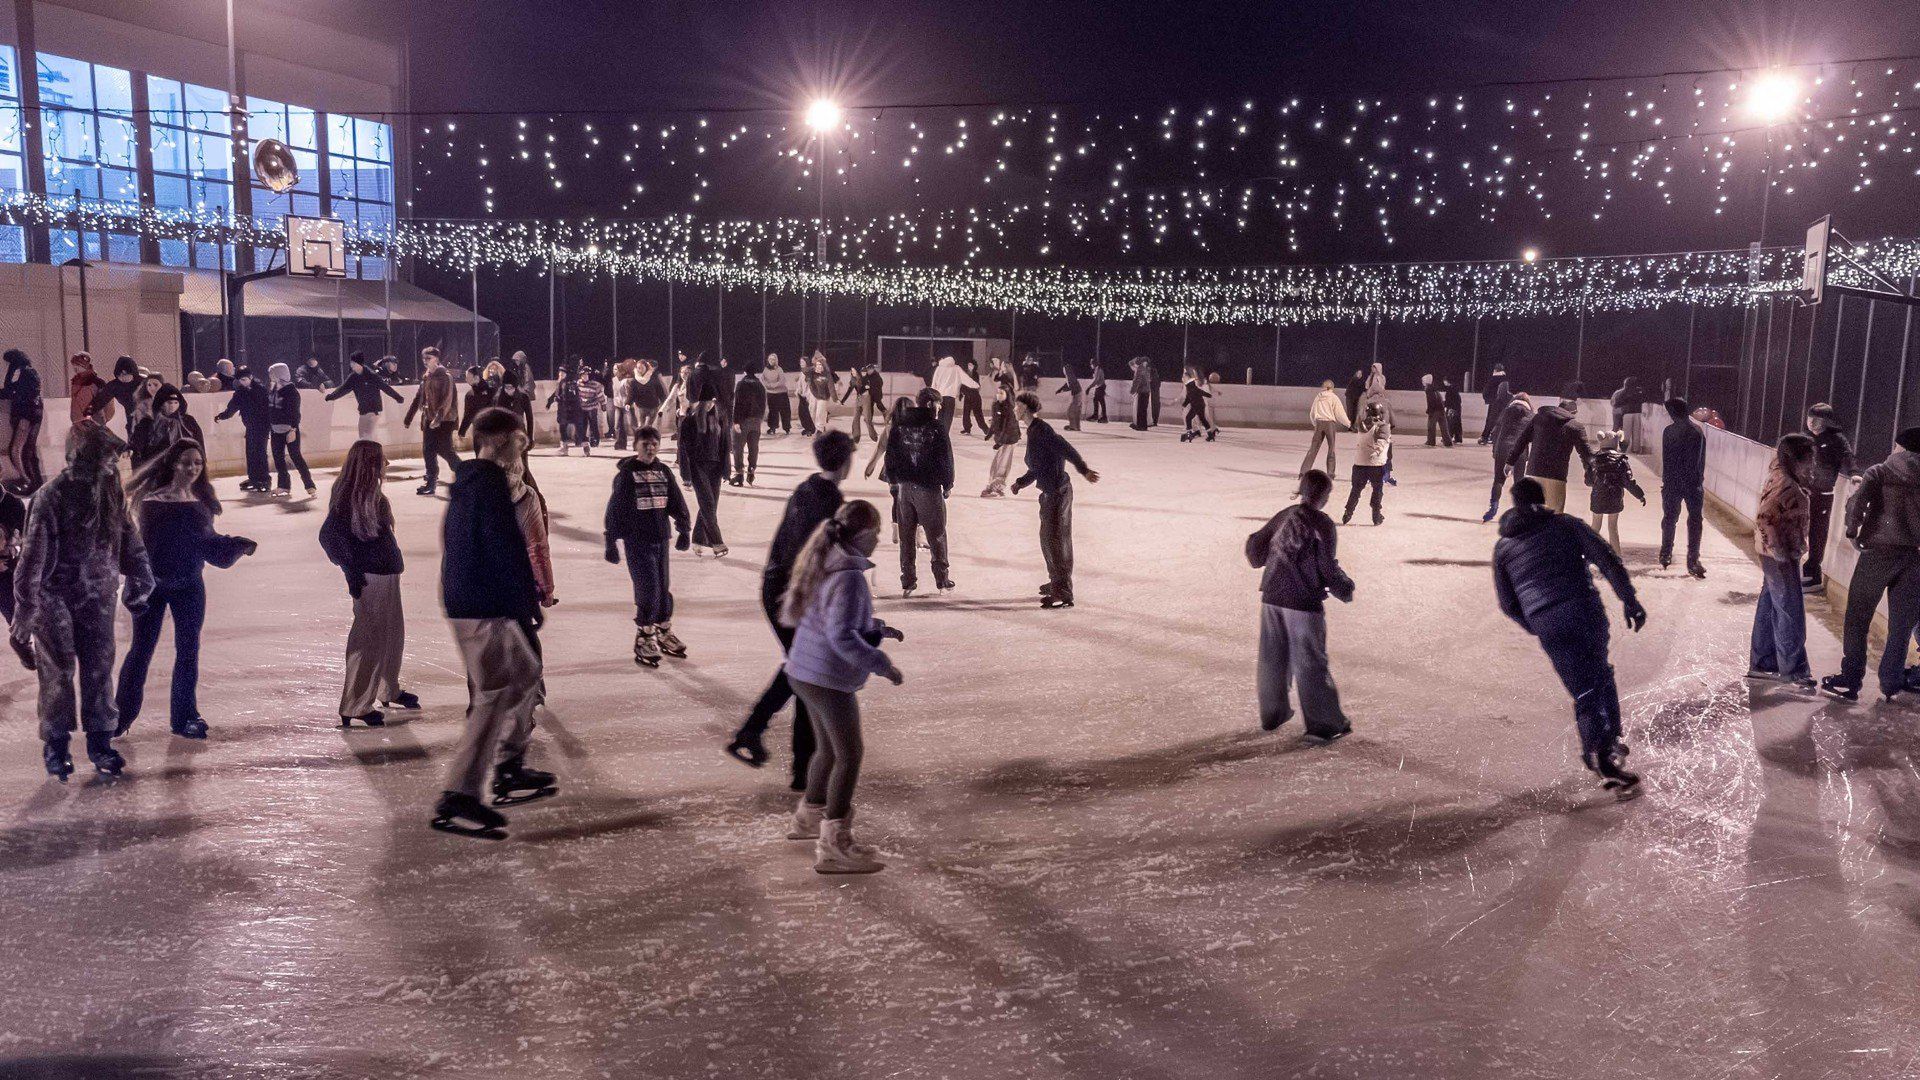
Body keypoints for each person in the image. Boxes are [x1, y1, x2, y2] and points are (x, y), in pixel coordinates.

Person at [432, 408, 555, 838]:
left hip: (476, 599)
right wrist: (523, 604)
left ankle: (508, 765)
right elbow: (505, 549)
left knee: (526, 673)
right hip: (484, 605)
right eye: (519, 439)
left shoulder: (471, 481)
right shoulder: (487, 485)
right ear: (500, 439)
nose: (523, 446)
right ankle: (460, 795)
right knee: (495, 694)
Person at [12, 424, 154, 779]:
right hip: (54, 595)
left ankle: (101, 741)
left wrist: (141, 573)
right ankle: (56, 744)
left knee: (99, 665)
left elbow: (128, 534)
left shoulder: (109, 492)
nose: (111, 464)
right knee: (58, 671)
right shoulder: (51, 496)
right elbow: (32, 557)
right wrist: (26, 609)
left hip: (99, 594)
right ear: (84, 456)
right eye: (105, 456)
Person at [1493, 477, 1647, 793]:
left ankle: (1603, 745)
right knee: (1600, 676)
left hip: (1548, 623)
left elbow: (1508, 603)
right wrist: (1629, 600)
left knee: (1585, 687)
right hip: (1583, 610)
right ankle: (1604, 750)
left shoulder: (1503, 547)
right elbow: (1607, 559)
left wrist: (1537, 623)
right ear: (1543, 499)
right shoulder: (1564, 524)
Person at [780, 499, 904, 874]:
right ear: (863, 535)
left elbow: (835, 619)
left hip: (804, 670)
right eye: (877, 533)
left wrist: (877, 628)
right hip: (827, 678)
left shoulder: (829, 560)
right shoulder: (849, 575)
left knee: (828, 751)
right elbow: (842, 637)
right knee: (850, 755)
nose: (879, 540)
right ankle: (834, 845)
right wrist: (882, 664)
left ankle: (808, 819)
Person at [728, 431, 853, 782]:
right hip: (790, 593)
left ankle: (789, 757)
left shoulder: (807, 487)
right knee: (806, 669)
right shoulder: (828, 500)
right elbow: (811, 554)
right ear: (845, 461)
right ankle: (785, 754)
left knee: (802, 669)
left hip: (775, 587)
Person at [115, 438, 256, 740]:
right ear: (173, 463)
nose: (192, 468)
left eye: (197, 462)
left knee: (188, 652)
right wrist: (232, 547)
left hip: (189, 585)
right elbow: (155, 546)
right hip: (154, 585)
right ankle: (119, 716)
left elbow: (206, 542)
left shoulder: (201, 501)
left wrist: (235, 546)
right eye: (186, 462)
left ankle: (184, 718)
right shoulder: (152, 502)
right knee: (141, 651)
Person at [1245, 469, 1355, 742]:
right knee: (1309, 661)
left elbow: (1256, 546)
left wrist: (1269, 562)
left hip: (1272, 596)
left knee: (1272, 658)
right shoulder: (1323, 523)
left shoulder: (1285, 514)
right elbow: (1326, 566)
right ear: (1325, 495)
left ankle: (1273, 714)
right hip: (1302, 602)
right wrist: (1345, 587)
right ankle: (1324, 724)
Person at [319, 441, 417, 727]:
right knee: (369, 640)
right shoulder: (349, 498)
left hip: (386, 574)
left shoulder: (369, 494)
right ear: (369, 464)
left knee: (391, 635)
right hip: (370, 578)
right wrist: (351, 571)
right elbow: (328, 537)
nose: (385, 464)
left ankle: (388, 689)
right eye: (380, 460)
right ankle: (355, 703)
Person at [1821, 426, 1920, 703]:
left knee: (1857, 618)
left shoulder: (1880, 471)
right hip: (1913, 558)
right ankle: (1890, 683)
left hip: (1878, 552)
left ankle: (1851, 679)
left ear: (1900, 447)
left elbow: (1856, 505)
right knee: (1901, 627)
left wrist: (1852, 533)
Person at [605, 426, 691, 668]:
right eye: (645, 444)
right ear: (636, 446)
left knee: (663, 588)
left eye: (654, 443)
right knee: (648, 588)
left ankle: (663, 630)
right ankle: (644, 635)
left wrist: (684, 528)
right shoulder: (626, 475)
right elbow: (615, 508)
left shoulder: (663, 471)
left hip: (661, 538)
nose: (650, 447)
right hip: (637, 540)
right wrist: (610, 540)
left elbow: (676, 500)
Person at [1010, 391, 1099, 608]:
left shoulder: (1041, 430)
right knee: (1048, 540)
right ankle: (1056, 582)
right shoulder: (1034, 431)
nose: (1014, 409)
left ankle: (1063, 591)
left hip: (1058, 494)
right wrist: (1021, 482)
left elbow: (1065, 448)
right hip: (1050, 493)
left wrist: (1083, 469)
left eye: (1017, 405)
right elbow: (1039, 466)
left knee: (1057, 542)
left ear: (1024, 409)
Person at [1747, 434, 1817, 690]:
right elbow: (1765, 517)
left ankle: (1763, 662)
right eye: (1809, 459)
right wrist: (1778, 551)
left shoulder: (1783, 477)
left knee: (1770, 607)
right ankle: (1793, 669)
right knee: (1790, 611)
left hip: (1778, 554)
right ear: (1794, 459)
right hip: (1780, 556)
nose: (1813, 464)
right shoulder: (1785, 484)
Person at [885, 390, 955, 596]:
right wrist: (948, 483)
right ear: (931, 404)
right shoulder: (936, 428)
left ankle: (907, 581)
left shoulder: (900, 426)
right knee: (937, 535)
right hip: (928, 489)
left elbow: (890, 456)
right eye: (939, 404)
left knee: (906, 537)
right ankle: (942, 580)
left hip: (905, 489)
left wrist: (893, 482)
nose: (940, 408)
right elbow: (946, 458)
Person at [1505, 383, 1592, 513]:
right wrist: (1590, 473)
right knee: (1554, 519)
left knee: (1533, 516)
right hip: (1556, 477)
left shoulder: (1539, 418)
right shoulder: (1575, 427)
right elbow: (1586, 454)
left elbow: (1521, 441)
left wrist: (1510, 462)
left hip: (1533, 473)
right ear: (1573, 412)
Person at [1803, 403, 1855, 592]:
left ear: (1825, 422)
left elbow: (1848, 457)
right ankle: (1800, 571)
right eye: (1809, 418)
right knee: (1799, 530)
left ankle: (1813, 575)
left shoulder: (1836, 439)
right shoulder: (1805, 437)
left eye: (1815, 419)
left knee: (1817, 534)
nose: (1810, 423)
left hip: (1822, 495)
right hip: (1803, 493)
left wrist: (1854, 473)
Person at [677, 380, 730, 557]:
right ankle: (717, 543)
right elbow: (683, 451)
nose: (709, 405)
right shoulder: (689, 422)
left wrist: (726, 469)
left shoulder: (720, 418)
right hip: (698, 468)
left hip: (715, 467)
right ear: (699, 402)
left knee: (710, 506)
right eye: (706, 402)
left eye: (712, 401)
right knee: (707, 504)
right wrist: (686, 475)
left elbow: (725, 445)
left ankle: (698, 539)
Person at [1658, 397, 1707, 577]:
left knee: (1670, 518)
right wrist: (1697, 482)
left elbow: (1667, 460)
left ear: (1673, 412)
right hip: (1692, 484)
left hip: (1673, 482)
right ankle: (1693, 560)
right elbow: (1699, 461)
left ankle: (1665, 554)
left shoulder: (1668, 431)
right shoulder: (1697, 431)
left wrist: (1667, 481)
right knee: (1695, 521)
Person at [404, 347, 463, 493]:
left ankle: (465, 473)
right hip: (429, 418)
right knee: (428, 450)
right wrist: (409, 417)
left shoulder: (445, 376)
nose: (425, 361)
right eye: (424, 358)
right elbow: (419, 397)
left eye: (428, 358)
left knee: (445, 449)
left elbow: (447, 399)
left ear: (436, 359)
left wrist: (438, 417)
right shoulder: (426, 377)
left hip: (445, 420)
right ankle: (431, 483)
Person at [214, 365, 273, 491]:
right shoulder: (240, 392)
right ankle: (254, 478)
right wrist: (222, 416)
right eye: (240, 380)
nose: (243, 382)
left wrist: (270, 426)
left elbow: (268, 410)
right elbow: (233, 407)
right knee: (250, 453)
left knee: (260, 453)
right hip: (250, 427)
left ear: (251, 377)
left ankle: (265, 480)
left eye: (245, 379)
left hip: (262, 427)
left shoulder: (261, 390)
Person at [1587, 431, 1646, 553]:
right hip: (1615, 498)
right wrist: (1640, 495)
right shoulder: (1621, 460)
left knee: (1595, 526)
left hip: (1598, 496)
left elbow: (1588, 481)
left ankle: (1588, 556)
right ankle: (1617, 558)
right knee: (1613, 528)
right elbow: (1629, 482)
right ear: (1616, 444)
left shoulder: (1594, 460)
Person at [264, 363, 316, 496]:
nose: (270, 376)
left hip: (289, 430)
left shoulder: (292, 392)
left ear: (279, 374)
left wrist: (293, 429)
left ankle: (309, 484)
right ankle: (283, 486)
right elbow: (271, 408)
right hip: (275, 430)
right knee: (278, 458)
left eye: (272, 373)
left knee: (296, 456)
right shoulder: (274, 388)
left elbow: (295, 413)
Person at [1483, 392, 1535, 522]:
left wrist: (1495, 450)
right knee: (1519, 481)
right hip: (1520, 451)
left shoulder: (1506, 412)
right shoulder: (1531, 416)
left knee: (1499, 480)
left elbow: (1495, 432)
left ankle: (1493, 508)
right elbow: (1534, 436)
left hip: (1503, 449)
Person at [326, 353, 403, 440]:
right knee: (364, 436)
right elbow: (343, 389)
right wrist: (331, 396)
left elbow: (386, 388)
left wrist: (397, 397)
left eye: (353, 363)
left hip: (373, 411)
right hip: (363, 411)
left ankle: (373, 452)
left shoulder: (372, 375)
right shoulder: (353, 377)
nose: (351, 365)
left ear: (359, 363)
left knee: (368, 437)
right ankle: (372, 451)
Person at [129, 385, 206, 469]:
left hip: (183, 469)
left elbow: (199, 443)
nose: (172, 406)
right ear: (161, 403)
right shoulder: (148, 423)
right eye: (169, 402)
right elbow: (137, 449)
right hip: (157, 469)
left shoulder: (188, 421)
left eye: (176, 403)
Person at [1342, 402, 1391, 526]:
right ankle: (1376, 515)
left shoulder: (1361, 425)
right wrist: (1377, 453)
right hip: (1375, 465)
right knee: (1377, 489)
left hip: (1359, 463)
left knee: (1356, 489)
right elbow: (1381, 443)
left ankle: (1348, 512)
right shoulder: (1383, 426)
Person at [2, 348, 45, 490]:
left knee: (17, 450)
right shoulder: (28, 372)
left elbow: (13, 391)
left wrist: (25, 417)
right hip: (31, 415)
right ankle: (32, 481)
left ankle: (29, 481)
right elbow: (11, 390)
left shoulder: (25, 373)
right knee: (26, 450)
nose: (7, 365)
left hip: (26, 416)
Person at [0, 484, 32, 669]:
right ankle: (21, 640)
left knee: (16, 610)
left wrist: (17, 551)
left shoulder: (12, 504)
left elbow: (27, 537)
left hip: (10, 568)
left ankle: (22, 640)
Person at [981, 368, 1021, 497]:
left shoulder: (1009, 409)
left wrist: (1000, 442)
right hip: (1001, 438)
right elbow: (995, 423)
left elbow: (1007, 427)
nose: (998, 395)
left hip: (1009, 439)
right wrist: (989, 433)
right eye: (998, 392)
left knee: (1003, 464)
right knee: (996, 463)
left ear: (1007, 395)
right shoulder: (996, 405)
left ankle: (997, 487)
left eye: (1001, 393)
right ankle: (994, 485)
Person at [731, 357, 768, 486]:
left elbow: (737, 404)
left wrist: (735, 421)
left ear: (745, 371)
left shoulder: (741, 384)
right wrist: (760, 418)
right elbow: (763, 404)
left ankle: (739, 474)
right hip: (756, 421)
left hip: (743, 420)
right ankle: (751, 470)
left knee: (737, 447)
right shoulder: (760, 385)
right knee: (753, 447)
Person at [1303, 379, 1350, 475]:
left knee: (1313, 449)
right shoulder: (1333, 397)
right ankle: (1330, 473)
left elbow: (1312, 413)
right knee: (1331, 448)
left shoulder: (1318, 397)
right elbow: (1340, 413)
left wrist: (1315, 424)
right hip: (1330, 424)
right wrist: (1348, 424)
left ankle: (1303, 472)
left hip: (1319, 423)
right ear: (1332, 388)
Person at [548, 364, 587, 455]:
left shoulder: (567, 383)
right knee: (572, 428)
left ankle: (569, 448)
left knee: (568, 428)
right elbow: (556, 393)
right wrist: (549, 402)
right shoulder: (564, 382)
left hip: (568, 410)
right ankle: (582, 446)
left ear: (566, 373)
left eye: (563, 372)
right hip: (570, 410)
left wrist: (558, 399)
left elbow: (567, 397)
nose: (560, 374)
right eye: (560, 372)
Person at [840, 361, 884, 444]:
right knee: (856, 418)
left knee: (867, 419)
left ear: (857, 371)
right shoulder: (853, 381)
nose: (852, 372)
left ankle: (873, 435)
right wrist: (842, 401)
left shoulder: (864, 378)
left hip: (866, 398)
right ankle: (856, 436)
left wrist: (866, 387)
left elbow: (867, 388)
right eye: (851, 371)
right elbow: (849, 391)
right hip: (858, 399)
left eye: (853, 371)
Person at [801, 351, 837, 436]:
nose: (819, 366)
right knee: (812, 413)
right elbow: (804, 370)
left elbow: (831, 387)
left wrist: (835, 398)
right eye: (817, 365)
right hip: (814, 395)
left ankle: (820, 429)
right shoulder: (812, 373)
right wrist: (813, 368)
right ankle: (820, 426)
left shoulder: (827, 374)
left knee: (820, 413)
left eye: (821, 365)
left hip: (824, 397)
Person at [68, 353, 107, 426]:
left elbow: (107, 405)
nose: (75, 368)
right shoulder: (75, 382)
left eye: (78, 365)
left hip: (94, 423)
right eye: (74, 365)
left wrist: (99, 420)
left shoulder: (97, 382)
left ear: (84, 366)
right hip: (77, 423)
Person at [1180, 366, 1217, 443]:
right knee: (1203, 419)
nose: (1183, 378)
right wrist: (1208, 395)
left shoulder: (1190, 386)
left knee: (1188, 418)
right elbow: (1198, 392)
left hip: (1196, 406)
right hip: (1201, 405)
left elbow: (1189, 397)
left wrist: (1184, 405)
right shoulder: (1192, 386)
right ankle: (1210, 435)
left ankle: (1189, 433)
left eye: (1184, 377)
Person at [758, 354, 791, 435]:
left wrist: (773, 385)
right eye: (770, 359)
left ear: (776, 360)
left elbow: (782, 381)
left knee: (785, 411)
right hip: (771, 394)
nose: (772, 361)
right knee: (773, 411)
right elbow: (762, 379)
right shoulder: (765, 370)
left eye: (773, 359)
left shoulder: (780, 369)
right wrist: (769, 386)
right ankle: (772, 427)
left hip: (781, 393)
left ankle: (786, 428)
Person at [1478, 364, 1511, 444]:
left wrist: (1487, 399)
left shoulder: (1493, 379)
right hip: (1504, 404)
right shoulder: (1506, 379)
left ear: (1495, 370)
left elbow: (1486, 390)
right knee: (1500, 420)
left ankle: (1485, 437)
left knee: (1490, 420)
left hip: (1494, 403)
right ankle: (1494, 437)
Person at [1422, 374, 1452, 447]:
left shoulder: (1428, 389)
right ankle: (1448, 442)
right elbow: (1439, 399)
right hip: (1441, 409)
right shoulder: (1435, 388)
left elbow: (1431, 401)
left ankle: (1431, 441)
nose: (1422, 382)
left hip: (1434, 410)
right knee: (1444, 427)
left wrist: (1430, 410)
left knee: (1431, 426)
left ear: (1426, 381)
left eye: (1423, 380)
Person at [960, 359, 989, 434]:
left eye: (971, 365)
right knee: (966, 414)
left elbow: (976, 386)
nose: (970, 366)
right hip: (967, 397)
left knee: (978, 414)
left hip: (975, 397)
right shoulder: (965, 374)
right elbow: (962, 385)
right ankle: (967, 428)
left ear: (974, 366)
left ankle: (986, 429)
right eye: (969, 365)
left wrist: (966, 391)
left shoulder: (975, 374)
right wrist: (961, 393)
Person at [1057, 361, 1085, 432]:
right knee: (1077, 411)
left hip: (1076, 395)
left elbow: (1069, 386)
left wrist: (1062, 390)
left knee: (1070, 411)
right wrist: (1060, 390)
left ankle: (1072, 426)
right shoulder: (1071, 376)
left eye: (1064, 370)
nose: (1063, 371)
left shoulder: (1070, 376)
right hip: (1079, 394)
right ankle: (1077, 427)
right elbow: (1067, 384)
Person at [1128, 356, 1153, 430]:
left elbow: (1137, 381)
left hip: (1142, 390)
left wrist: (1132, 390)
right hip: (1147, 390)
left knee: (1140, 409)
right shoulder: (1147, 369)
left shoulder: (1140, 368)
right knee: (1144, 409)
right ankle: (1144, 426)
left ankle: (1139, 425)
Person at [1443, 378, 1464, 446]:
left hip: (1451, 409)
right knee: (1457, 424)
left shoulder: (1449, 389)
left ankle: (1449, 437)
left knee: (1450, 424)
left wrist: (1445, 405)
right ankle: (1458, 438)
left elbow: (1448, 400)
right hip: (1457, 408)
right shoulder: (1455, 389)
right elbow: (1459, 400)